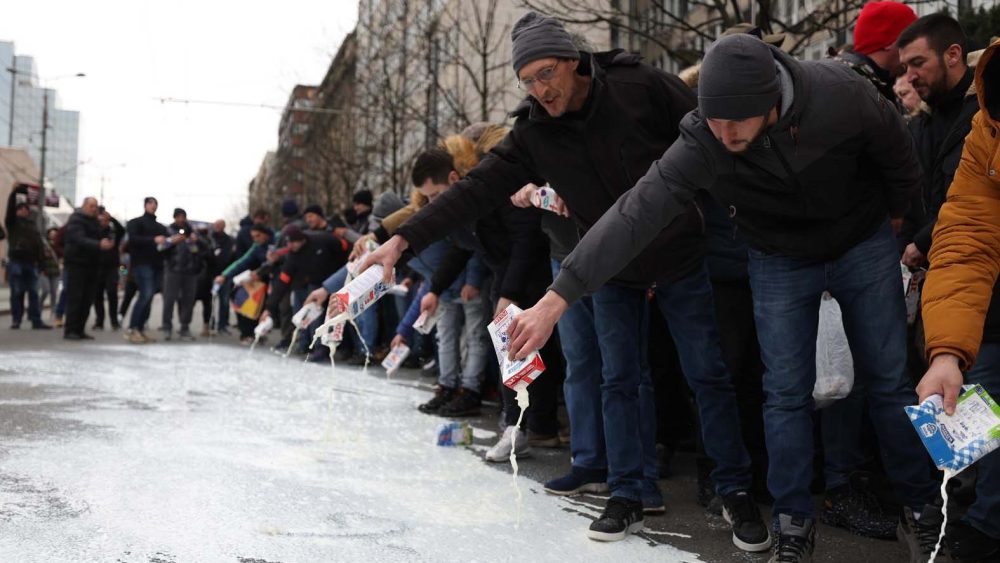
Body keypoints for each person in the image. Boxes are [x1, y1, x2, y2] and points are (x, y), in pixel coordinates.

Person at [498, 33, 943, 561]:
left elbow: (898, 156)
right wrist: (557, 298)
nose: (725, 134)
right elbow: (634, 213)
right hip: (778, 254)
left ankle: (922, 509)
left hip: (861, 240)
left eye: (738, 122)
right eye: (715, 120)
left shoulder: (842, 93)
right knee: (784, 391)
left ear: (772, 104)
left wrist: (898, 221)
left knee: (889, 381)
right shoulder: (702, 138)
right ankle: (793, 522)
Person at [359, 11, 767, 548]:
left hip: (678, 254)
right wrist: (401, 240)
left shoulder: (642, 86)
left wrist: (753, 215)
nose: (539, 88)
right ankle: (626, 492)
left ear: (574, 63)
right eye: (527, 80)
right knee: (618, 378)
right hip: (608, 266)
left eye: (546, 73)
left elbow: (716, 136)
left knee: (707, 373)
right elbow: (472, 192)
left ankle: (733, 488)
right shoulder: (533, 134)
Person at [918, 36, 1000, 562]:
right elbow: (967, 234)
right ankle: (982, 527)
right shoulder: (987, 123)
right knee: (983, 396)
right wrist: (946, 351)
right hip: (990, 304)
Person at [899, 14, 979, 270]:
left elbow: (979, 199)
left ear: (953, 55)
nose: (909, 77)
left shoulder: (988, 115)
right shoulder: (920, 124)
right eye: (905, 67)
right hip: (933, 271)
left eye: (918, 63)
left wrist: (922, 242)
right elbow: (913, 197)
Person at [833, 1, 917, 108]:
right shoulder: (848, 87)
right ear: (889, 43)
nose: (917, 49)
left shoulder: (873, 86)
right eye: (912, 40)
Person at [63, 197, 113, 340]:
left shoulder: (95, 222)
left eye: (95, 206)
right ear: (84, 206)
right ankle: (70, 329)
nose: (94, 208)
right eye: (91, 206)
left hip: (93, 265)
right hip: (77, 264)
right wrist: (98, 245)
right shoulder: (76, 220)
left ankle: (79, 329)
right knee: (76, 298)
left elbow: (102, 236)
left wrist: (106, 234)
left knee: (87, 299)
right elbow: (79, 239)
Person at [160, 208, 208, 341]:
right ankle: (167, 327)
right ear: (174, 218)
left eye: (183, 217)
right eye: (178, 217)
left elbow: (205, 248)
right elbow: (160, 248)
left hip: (190, 272)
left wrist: (196, 240)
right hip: (173, 270)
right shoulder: (167, 230)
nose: (181, 220)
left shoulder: (192, 231)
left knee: (188, 300)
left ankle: (185, 327)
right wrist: (171, 242)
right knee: (169, 300)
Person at [125, 197, 168, 343]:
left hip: (157, 264)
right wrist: (153, 240)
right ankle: (133, 329)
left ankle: (140, 328)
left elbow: (166, 246)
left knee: (148, 298)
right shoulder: (135, 223)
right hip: (142, 264)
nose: (153, 206)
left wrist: (171, 242)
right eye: (150, 203)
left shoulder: (161, 227)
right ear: (145, 205)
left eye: (155, 203)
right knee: (145, 295)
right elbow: (132, 240)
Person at [4, 201, 50, 329]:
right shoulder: (12, 224)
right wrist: (14, 193)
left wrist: (42, 264)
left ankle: (36, 320)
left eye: (26, 209)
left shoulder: (32, 226)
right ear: (16, 211)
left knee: (34, 292)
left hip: (31, 263)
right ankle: (16, 320)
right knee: (17, 292)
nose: (24, 211)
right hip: (16, 261)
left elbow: (39, 246)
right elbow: (9, 213)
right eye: (21, 209)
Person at [92, 208, 125, 330]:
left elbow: (122, 230)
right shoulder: (94, 231)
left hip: (111, 267)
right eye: (101, 219)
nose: (103, 221)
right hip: (97, 267)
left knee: (112, 293)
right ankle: (99, 321)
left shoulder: (113, 232)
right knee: (97, 295)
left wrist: (112, 218)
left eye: (105, 219)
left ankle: (114, 321)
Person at [209, 219, 234, 334]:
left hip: (225, 275)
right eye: (216, 225)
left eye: (220, 225)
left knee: (224, 301)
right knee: (210, 301)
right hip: (211, 274)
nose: (218, 227)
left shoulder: (228, 240)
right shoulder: (210, 238)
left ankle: (222, 325)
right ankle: (210, 323)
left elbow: (229, 256)